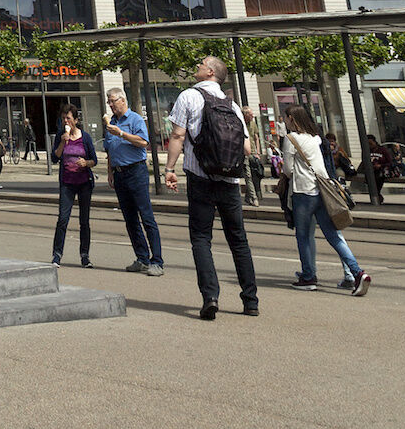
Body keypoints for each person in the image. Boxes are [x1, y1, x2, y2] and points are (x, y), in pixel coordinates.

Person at [165, 54, 259, 320]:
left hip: (200, 177)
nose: (196, 66)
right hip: (230, 180)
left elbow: (177, 135)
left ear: (209, 72)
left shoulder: (188, 96)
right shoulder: (233, 105)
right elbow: (248, 149)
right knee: (238, 240)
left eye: (200, 64)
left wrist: (169, 169)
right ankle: (250, 301)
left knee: (201, 238)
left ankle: (211, 297)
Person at [281, 105, 370, 296]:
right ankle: (357, 272)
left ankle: (308, 277)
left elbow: (288, 170)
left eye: (285, 118)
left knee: (304, 236)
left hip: (303, 192)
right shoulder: (315, 138)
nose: (284, 122)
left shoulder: (290, 139)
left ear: (291, 119)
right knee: (333, 235)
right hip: (323, 191)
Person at [102, 88, 162, 274]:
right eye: (109, 102)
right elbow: (110, 149)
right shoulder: (111, 122)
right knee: (130, 219)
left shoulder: (134, 119)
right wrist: (110, 171)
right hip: (119, 174)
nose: (110, 105)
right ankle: (142, 258)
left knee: (146, 217)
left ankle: (157, 261)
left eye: (112, 101)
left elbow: (143, 142)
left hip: (136, 171)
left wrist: (121, 134)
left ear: (122, 100)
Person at [51, 106, 97, 267]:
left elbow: (94, 160)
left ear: (76, 120)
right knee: (63, 219)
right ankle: (57, 255)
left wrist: (86, 163)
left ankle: (85, 256)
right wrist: (63, 142)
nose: (66, 121)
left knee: (84, 221)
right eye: (64, 118)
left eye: (69, 118)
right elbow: (54, 158)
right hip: (67, 183)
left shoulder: (84, 137)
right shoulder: (60, 136)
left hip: (84, 183)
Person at [243, 108, 265, 202]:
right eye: (250, 115)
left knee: (257, 173)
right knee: (248, 175)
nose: (252, 116)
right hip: (244, 153)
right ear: (245, 115)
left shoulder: (253, 123)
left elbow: (256, 138)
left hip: (253, 153)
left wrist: (257, 152)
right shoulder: (240, 123)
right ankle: (253, 197)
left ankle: (249, 196)